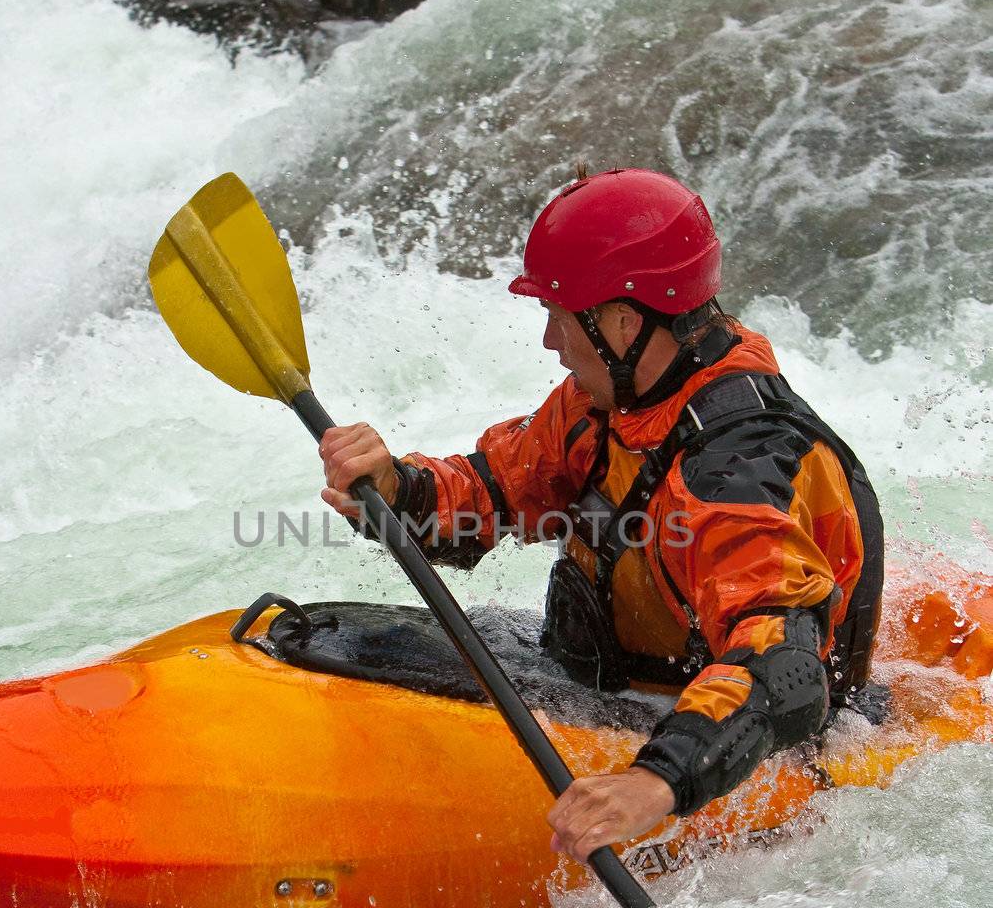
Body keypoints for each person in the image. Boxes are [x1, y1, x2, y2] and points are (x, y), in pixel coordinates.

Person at [319, 168, 884, 867]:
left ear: (623, 320)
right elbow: (491, 495)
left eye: (560, 316)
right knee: (350, 641)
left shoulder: (735, 471)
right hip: (604, 681)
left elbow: (782, 667)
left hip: (718, 736)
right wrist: (395, 488)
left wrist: (654, 782)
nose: (551, 342)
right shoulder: (609, 403)